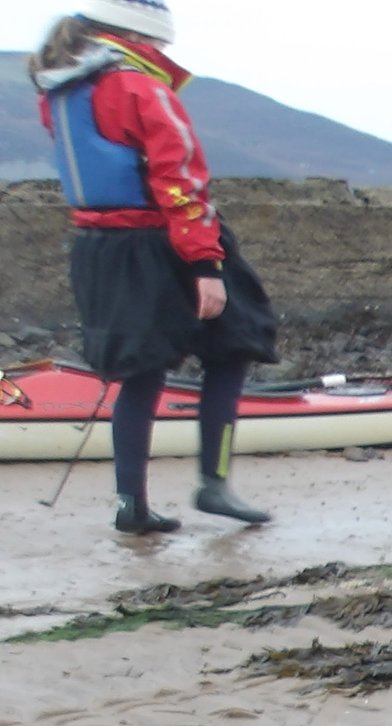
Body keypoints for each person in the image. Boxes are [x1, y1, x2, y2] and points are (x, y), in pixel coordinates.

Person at [28, 2, 278, 534]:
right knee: (235, 345)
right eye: (162, 43)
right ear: (138, 36)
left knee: (140, 374)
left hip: (98, 248)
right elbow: (181, 182)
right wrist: (207, 265)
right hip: (159, 241)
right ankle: (215, 484)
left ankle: (131, 505)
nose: (165, 53)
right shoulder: (143, 89)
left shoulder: (58, 93)